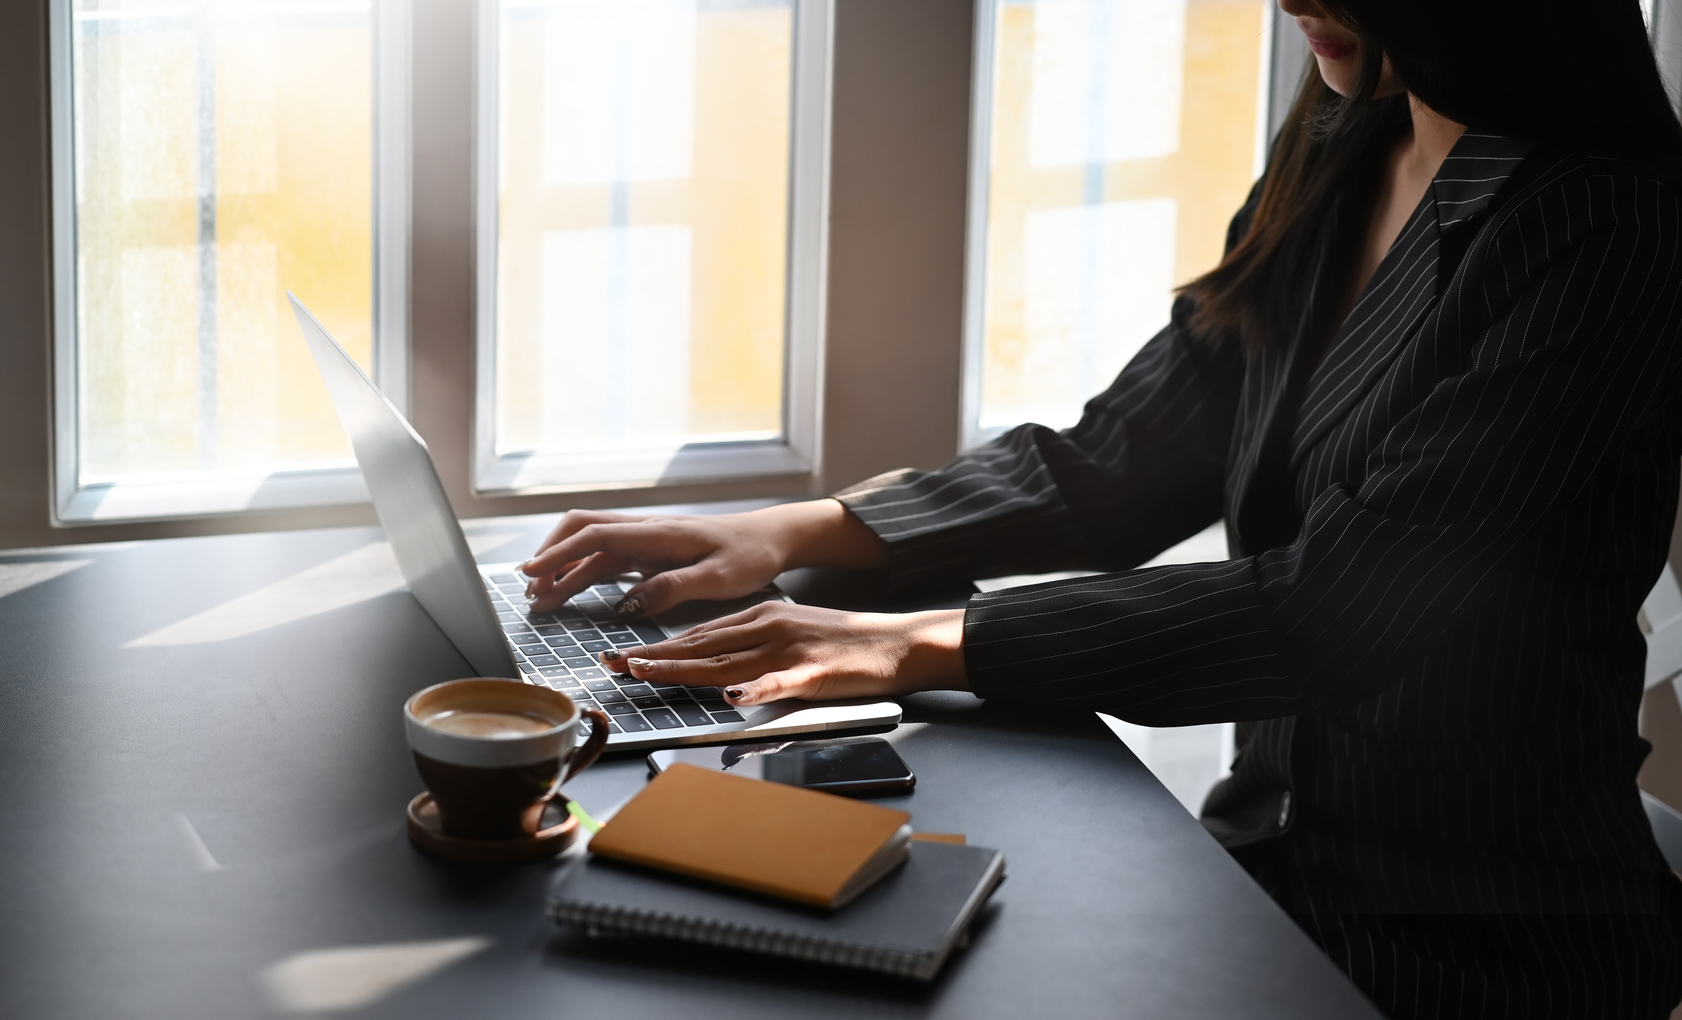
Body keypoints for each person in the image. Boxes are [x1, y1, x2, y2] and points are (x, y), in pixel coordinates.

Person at [519, 1, 1682, 1015]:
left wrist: (910, 642)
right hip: (1264, 866)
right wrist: (797, 529)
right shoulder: (1349, 138)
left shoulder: (1604, 230)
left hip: (1471, 938)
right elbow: (1124, 461)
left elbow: (1334, 614)